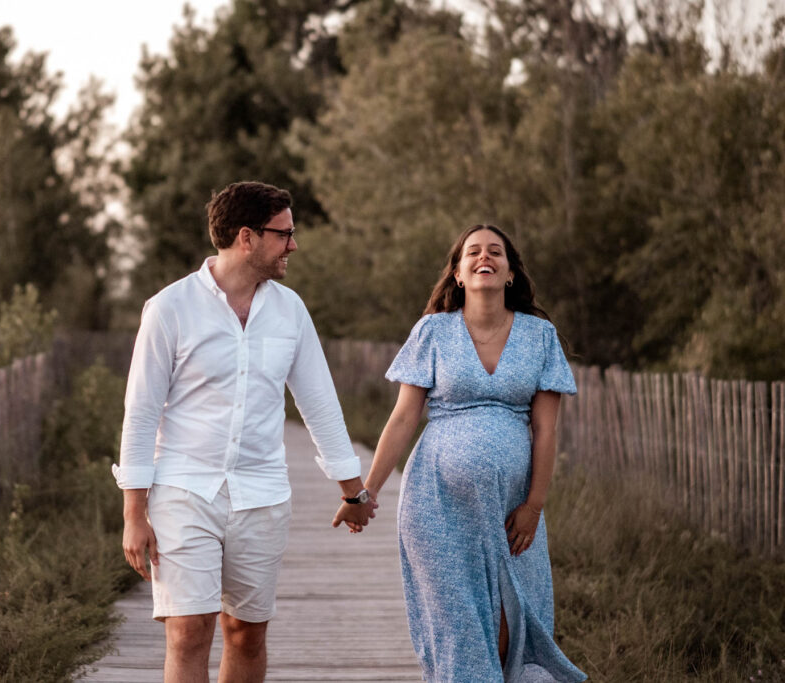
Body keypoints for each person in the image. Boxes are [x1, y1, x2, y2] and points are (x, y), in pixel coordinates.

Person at [114, 181, 378, 683]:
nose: (293, 245)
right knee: (189, 630)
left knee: (245, 633)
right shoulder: (169, 309)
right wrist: (134, 513)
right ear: (247, 237)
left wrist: (353, 490)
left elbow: (318, 403)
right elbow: (141, 412)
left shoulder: (290, 311)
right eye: (285, 234)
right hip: (183, 489)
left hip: (261, 494)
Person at [335, 224, 586, 682]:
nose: (483, 257)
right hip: (436, 505)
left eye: (495, 251)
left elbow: (546, 431)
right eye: (472, 252)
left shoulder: (540, 336)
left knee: (511, 629)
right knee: (460, 630)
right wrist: (364, 494)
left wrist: (534, 506)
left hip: (511, 509)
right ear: (457, 273)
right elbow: (403, 418)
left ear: (510, 273)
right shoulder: (433, 331)